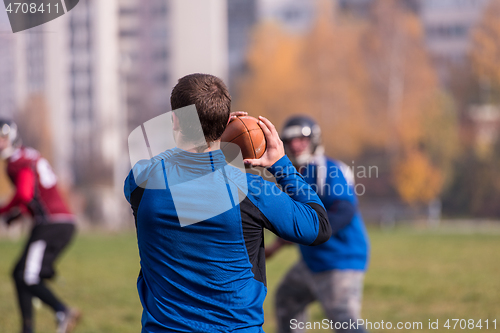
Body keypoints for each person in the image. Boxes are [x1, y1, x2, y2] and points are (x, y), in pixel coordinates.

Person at [124, 73, 332, 332]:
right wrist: (282, 165)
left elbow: (173, 162)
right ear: (223, 122)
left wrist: (207, 137)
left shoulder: (141, 180)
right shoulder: (252, 191)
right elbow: (319, 226)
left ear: (175, 120)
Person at [266, 115, 370, 333]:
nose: (295, 145)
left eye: (301, 139)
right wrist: (276, 246)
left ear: (314, 139)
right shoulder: (296, 174)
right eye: (290, 140)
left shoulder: (327, 169)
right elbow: (303, 221)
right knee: (287, 300)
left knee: (346, 323)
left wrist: (312, 232)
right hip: (313, 262)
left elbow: (344, 210)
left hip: (339, 260)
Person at [0, 120, 80, 333]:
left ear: (12, 138)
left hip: (52, 224)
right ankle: (27, 328)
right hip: (54, 223)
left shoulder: (18, 162)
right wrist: (15, 215)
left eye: (2, 138)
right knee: (19, 273)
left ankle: (62, 311)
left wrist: (4, 210)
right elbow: (32, 198)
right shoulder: (27, 156)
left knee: (27, 276)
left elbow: (25, 194)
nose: (0, 144)